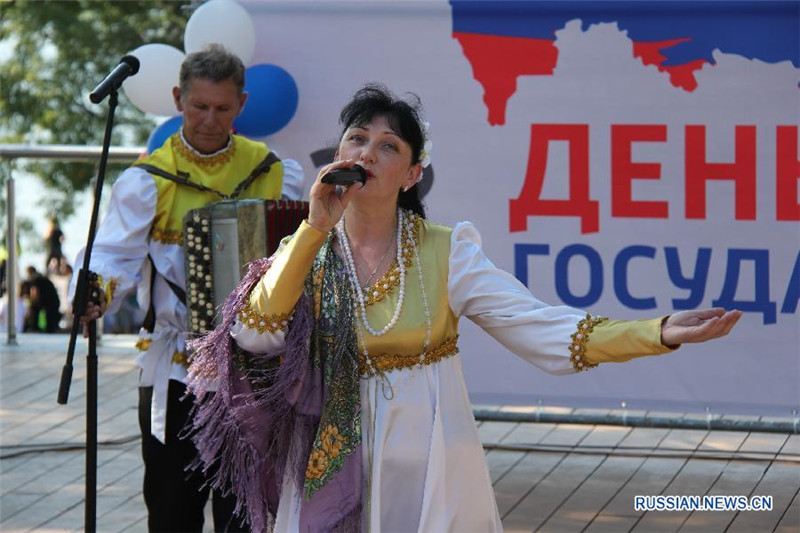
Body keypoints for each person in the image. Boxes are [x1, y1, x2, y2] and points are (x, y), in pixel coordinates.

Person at [184, 84, 741, 532]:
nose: (367, 153)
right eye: (357, 139)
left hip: (433, 464)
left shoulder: (447, 251)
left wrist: (659, 330)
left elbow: (542, 328)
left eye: (389, 147)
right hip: (332, 458)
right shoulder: (304, 249)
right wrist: (314, 229)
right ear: (337, 158)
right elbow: (255, 334)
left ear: (411, 175)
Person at [71, 44, 304, 532]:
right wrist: (95, 291)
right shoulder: (148, 181)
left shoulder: (273, 170)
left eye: (222, 108)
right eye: (199, 106)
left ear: (241, 104)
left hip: (255, 364)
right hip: (180, 366)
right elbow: (113, 255)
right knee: (173, 504)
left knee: (246, 509)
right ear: (179, 99)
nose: (209, 119)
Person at [24, 266, 61, 333]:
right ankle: (50, 329)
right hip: (53, 300)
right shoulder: (42, 278)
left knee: (34, 309)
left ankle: (34, 328)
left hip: (48, 300)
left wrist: (32, 302)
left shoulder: (34, 279)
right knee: (50, 318)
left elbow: (34, 292)